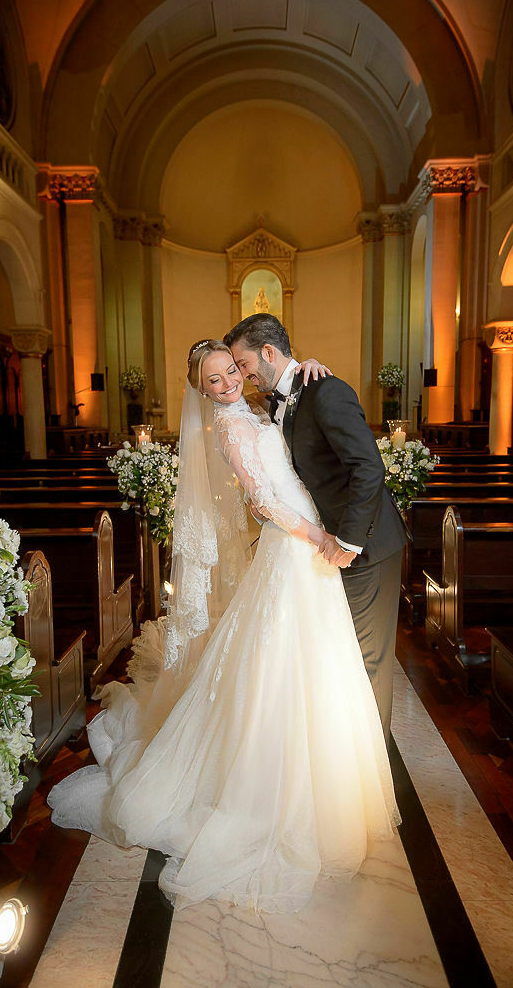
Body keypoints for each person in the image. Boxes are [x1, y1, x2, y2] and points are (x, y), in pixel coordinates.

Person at [48, 339, 399, 914]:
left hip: (310, 548)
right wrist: (319, 539)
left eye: (230, 370)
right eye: (213, 379)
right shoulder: (231, 430)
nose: (227, 382)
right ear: (202, 389)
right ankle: (268, 787)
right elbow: (263, 500)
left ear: (245, 366)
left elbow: (290, 402)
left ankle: (327, 779)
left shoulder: (263, 406)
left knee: (319, 664)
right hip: (296, 548)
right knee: (276, 667)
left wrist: (310, 362)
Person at [224, 315, 408, 742]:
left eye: (243, 362)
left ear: (268, 353)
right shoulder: (280, 397)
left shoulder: (326, 391)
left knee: (367, 660)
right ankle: (346, 753)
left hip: (365, 544)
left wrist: (347, 541)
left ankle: (373, 765)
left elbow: (369, 468)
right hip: (323, 547)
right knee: (339, 653)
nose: (241, 374)